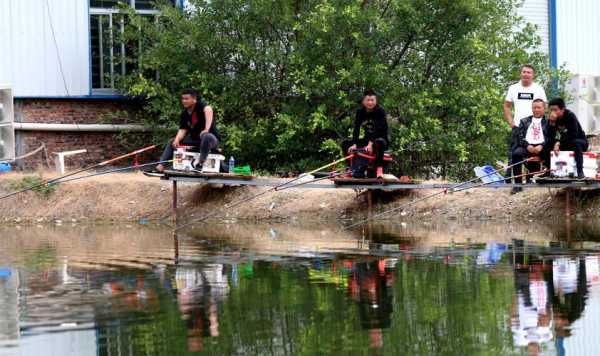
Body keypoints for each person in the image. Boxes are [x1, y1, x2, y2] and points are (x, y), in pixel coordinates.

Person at [156, 89, 219, 173]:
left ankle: (200, 164)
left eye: (186, 99)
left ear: (194, 99)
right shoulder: (185, 113)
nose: (184, 101)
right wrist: (177, 139)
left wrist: (206, 129)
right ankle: (161, 165)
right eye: (182, 99)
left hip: (211, 141)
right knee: (173, 141)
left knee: (206, 136)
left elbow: (209, 109)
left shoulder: (200, 105)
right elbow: (183, 129)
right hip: (196, 142)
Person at [503, 65, 547, 180]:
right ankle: (510, 180)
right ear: (520, 73)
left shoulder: (538, 89)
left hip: (534, 127)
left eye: (529, 72)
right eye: (524, 72)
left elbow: (544, 106)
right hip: (518, 126)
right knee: (514, 153)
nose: (526, 74)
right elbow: (506, 106)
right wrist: (511, 122)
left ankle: (530, 179)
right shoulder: (513, 88)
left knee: (533, 154)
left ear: (533, 75)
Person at [341, 90, 389, 178]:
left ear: (376, 101)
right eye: (368, 100)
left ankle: (379, 169)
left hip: (380, 140)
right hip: (367, 141)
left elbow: (377, 129)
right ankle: (350, 168)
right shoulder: (360, 112)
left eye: (372, 100)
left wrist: (370, 144)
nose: (370, 102)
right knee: (345, 144)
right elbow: (356, 128)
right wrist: (354, 144)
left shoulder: (380, 111)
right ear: (363, 101)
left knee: (380, 141)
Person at [511, 99, 554, 187]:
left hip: (542, 147)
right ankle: (517, 184)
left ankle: (548, 177)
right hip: (526, 146)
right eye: (534, 108)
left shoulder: (549, 122)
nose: (536, 110)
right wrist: (527, 145)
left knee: (551, 152)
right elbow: (520, 137)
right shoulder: (524, 121)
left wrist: (542, 145)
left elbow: (550, 137)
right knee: (516, 154)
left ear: (544, 109)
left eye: (539, 107)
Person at [548, 97, 589, 178]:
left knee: (576, 143)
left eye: (555, 110)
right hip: (565, 142)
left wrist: (559, 143)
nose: (553, 112)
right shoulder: (553, 118)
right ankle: (550, 170)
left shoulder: (570, 116)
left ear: (562, 109)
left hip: (580, 141)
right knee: (547, 144)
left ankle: (580, 171)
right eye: (551, 110)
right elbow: (550, 136)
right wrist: (552, 123)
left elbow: (574, 134)